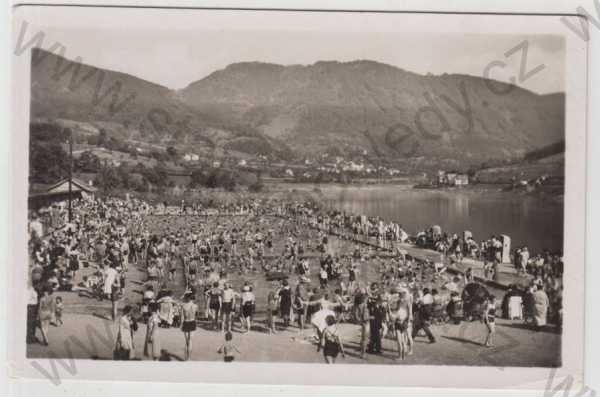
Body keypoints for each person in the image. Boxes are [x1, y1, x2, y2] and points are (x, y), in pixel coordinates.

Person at [180, 291, 198, 360]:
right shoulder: (195, 306)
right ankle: (189, 357)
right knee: (190, 341)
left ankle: (186, 357)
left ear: (186, 298)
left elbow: (182, 317)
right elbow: (196, 316)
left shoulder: (183, 306)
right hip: (192, 322)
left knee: (187, 341)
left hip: (186, 322)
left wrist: (181, 325)